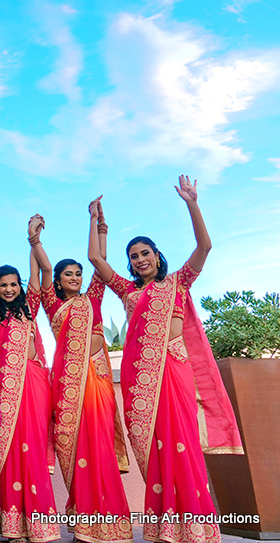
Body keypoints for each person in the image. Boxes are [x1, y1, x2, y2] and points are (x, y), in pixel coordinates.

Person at [89, 176, 242, 543]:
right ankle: (165, 526)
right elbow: (95, 258)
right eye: (134, 256)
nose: (140, 260)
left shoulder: (178, 282)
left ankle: (195, 526)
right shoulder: (127, 292)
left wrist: (191, 202)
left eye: (145, 253)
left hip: (172, 373)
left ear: (157, 255)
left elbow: (204, 246)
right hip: (139, 379)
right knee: (151, 449)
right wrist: (95, 221)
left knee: (181, 444)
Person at [31, 206, 132, 543]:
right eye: (68, 275)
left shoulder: (92, 297)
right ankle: (85, 518)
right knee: (73, 448)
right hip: (67, 385)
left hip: (98, 381)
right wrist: (35, 240)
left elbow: (99, 262)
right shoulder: (51, 304)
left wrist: (98, 226)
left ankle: (109, 523)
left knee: (99, 445)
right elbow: (44, 267)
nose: (74, 278)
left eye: (77, 274)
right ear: (58, 281)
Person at [0, 216, 59, 543]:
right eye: (3, 285)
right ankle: (12, 526)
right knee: (7, 451)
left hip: (33, 385)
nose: (9, 289)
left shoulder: (30, 307)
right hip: (1, 391)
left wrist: (33, 241)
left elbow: (46, 273)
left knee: (33, 448)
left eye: (14, 284)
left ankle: (39, 526)